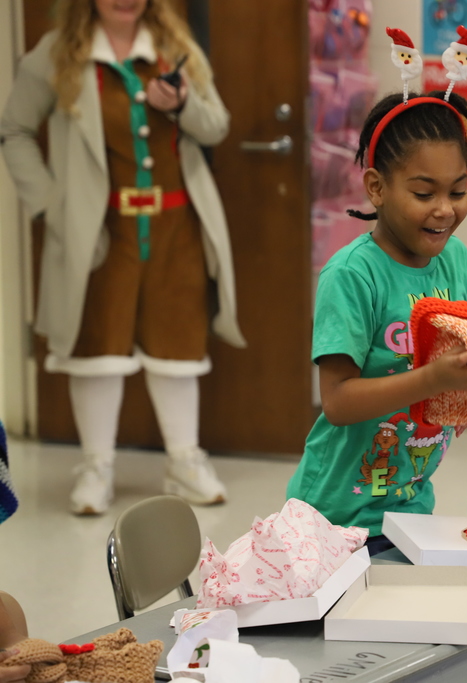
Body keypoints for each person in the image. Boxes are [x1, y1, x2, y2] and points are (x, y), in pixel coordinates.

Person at [0, 0, 245, 516]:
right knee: (96, 351)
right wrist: (47, 204)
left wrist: (180, 106)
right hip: (98, 231)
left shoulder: (175, 50)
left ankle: (184, 460)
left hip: (176, 225)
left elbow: (216, 125)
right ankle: (96, 466)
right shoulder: (55, 54)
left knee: (178, 350)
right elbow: (14, 130)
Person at [286, 89, 467, 556]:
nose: (445, 208)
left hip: (410, 507)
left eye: (458, 191)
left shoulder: (456, 261)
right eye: (424, 193)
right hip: (334, 520)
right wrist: (432, 379)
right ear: (377, 187)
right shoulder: (351, 275)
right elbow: (339, 402)